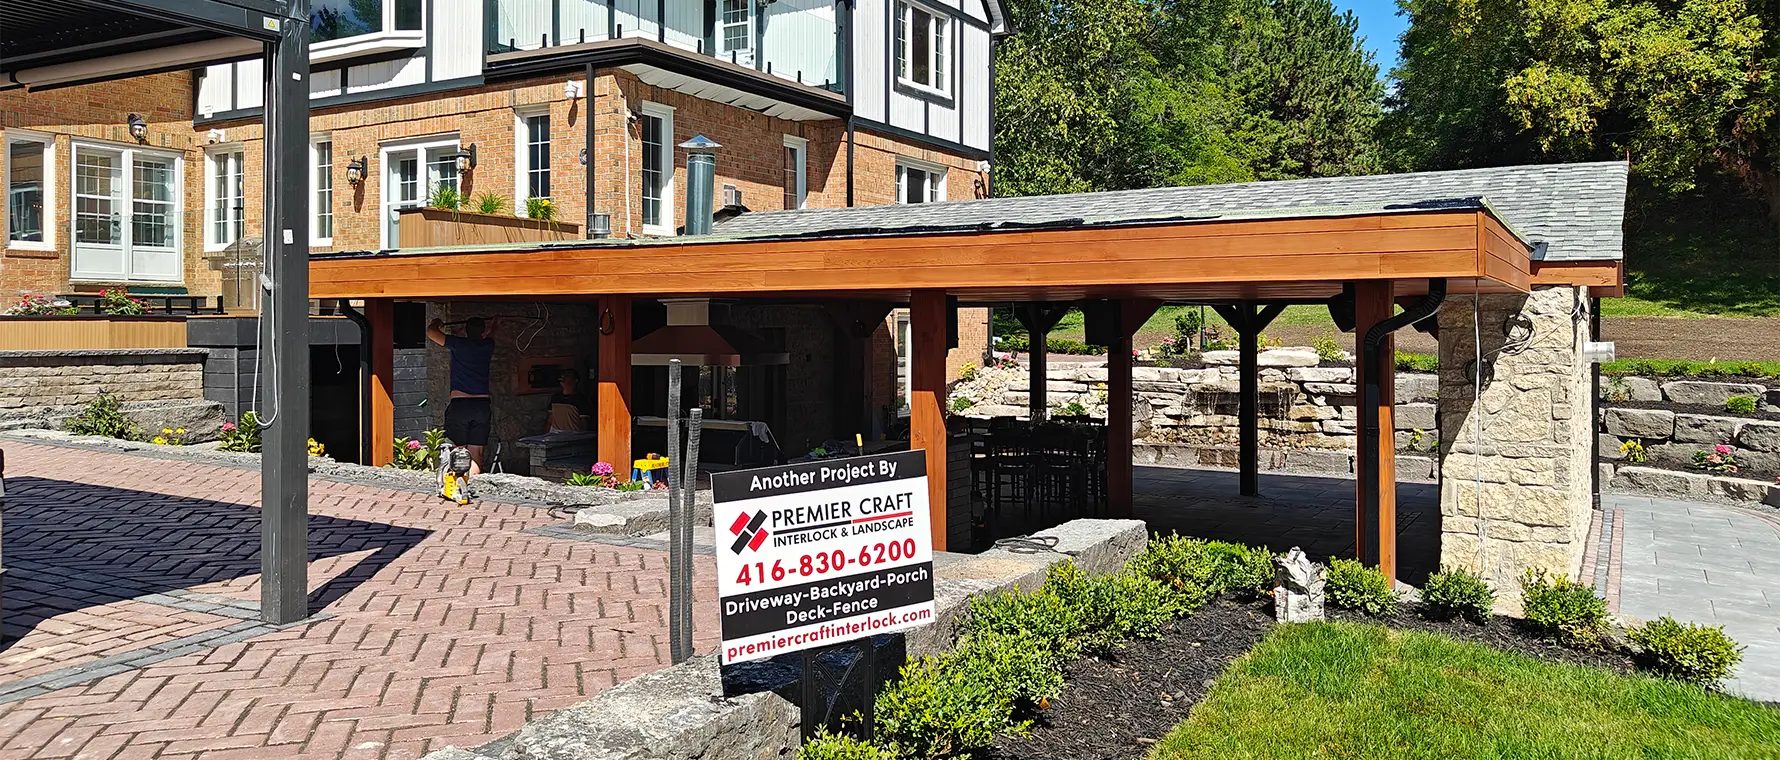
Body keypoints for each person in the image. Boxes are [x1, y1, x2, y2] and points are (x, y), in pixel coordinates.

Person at [427, 316, 497, 476]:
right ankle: (474, 487)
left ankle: (458, 486)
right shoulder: (487, 346)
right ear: (482, 332)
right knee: (476, 453)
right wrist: (494, 326)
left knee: (458, 451)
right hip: (482, 406)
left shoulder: (459, 345)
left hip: (461, 405)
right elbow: (492, 336)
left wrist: (438, 322)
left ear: (466, 330)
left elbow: (431, 332)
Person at [546, 368, 595, 433]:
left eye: (567, 375)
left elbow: (584, 424)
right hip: (555, 435)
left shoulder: (581, 399)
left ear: (575, 380)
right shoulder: (555, 398)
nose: (564, 377)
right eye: (563, 375)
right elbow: (550, 419)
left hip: (572, 436)